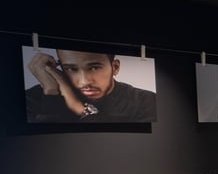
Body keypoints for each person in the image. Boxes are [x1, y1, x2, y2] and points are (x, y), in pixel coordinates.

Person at [25, 49, 157, 122]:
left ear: (115, 67)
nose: (83, 82)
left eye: (94, 68)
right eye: (71, 69)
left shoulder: (144, 101)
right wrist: (51, 92)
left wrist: (79, 108)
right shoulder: (32, 100)